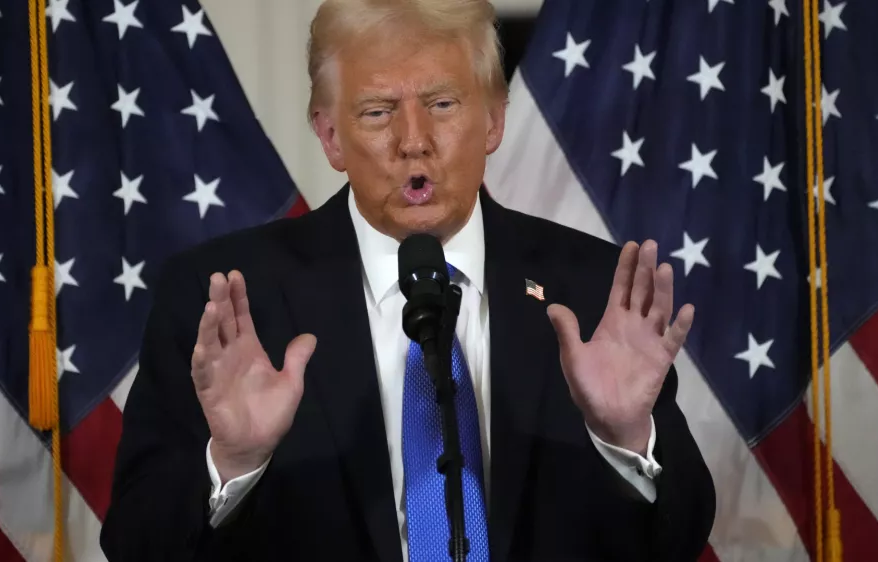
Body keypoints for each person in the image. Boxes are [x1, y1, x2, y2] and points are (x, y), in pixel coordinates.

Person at [99, 0, 716, 560]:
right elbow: (134, 543)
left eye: (443, 104)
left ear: (494, 121)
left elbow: (682, 536)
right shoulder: (224, 302)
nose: (413, 142)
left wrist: (628, 438)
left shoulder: (591, 290)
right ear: (331, 136)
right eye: (377, 111)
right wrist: (232, 463)